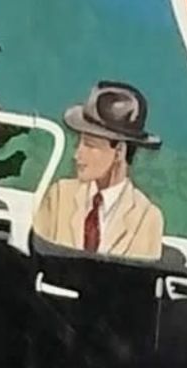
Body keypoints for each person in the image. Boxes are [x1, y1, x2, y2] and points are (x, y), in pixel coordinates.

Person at [33, 80, 164, 259]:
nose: (77, 155)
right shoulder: (59, 197)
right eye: (79, 143)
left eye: (90, 145)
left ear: (119, 152)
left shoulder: (146, 217)